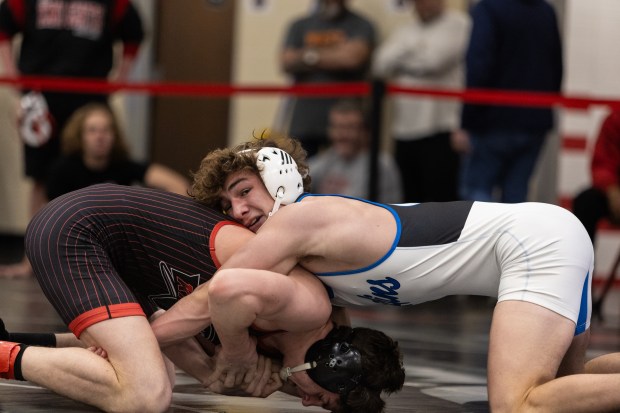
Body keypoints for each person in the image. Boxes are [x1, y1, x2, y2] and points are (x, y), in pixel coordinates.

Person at [178, 134, 620, 412]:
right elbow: (323, 341)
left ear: (278, 176)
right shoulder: (304, 250)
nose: (237, 211)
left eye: (244, 191)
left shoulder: (295, 222)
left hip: (534, 242)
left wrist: (133, 336)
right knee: (565, 389)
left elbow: (209, 297)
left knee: (517, 404)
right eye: (226, 206)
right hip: (545, 233)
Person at [0, 183, 404, 413]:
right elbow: (217, 294)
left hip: (115, 255)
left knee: (146, 362)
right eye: (322, 398)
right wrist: (234, 356)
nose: (306, 403)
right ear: (331, 366)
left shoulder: (294, 350)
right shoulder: (305, 305)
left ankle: (11, 342)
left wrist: (222, 372)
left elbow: (190, 348)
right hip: (81, 230)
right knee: (145, 394)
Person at [0, 0, 144, 277]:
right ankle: (32, 260)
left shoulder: (114, 3)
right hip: (40, 96)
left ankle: (92, 255)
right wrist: (11, 73)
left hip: (87, 95)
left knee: (90, 171)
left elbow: (134, 32)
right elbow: (4, 24)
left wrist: (121, 77)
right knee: (40, 177)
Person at [455, 0, 563, 203]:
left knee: (478, 195)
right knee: (516, 198)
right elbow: (556, 68)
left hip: (492, 120)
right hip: (534, 121)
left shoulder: (489, 8)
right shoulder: (546, 12)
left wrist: (467, 122)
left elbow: (478, 66)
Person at [372, 0, 470, 202]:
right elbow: (379, 64)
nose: (422, 4)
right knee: (408, 199)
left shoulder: (459, 24)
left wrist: (401, 60)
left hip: (440, 128)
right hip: (404, 128)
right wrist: (415, 52)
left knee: (440, 199)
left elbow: (434, 61)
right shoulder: (405, 30)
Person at [280, 0, 376, 157]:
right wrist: (334, 54)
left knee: (344, 179)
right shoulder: (299, 25)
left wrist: (308, 55)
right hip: (305, 121)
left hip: (346, 124)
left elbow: (352, 58)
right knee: (300, 176)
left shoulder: (362, 25)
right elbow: (286, 61)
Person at [45, 102, 189, 200]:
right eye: (92, 130)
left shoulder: (123, 165)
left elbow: (178, 185)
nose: (100, 137)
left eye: (106, 130)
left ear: (114, 135)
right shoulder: (63, 170)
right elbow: (48, 212)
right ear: (80, 136)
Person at [307, 99, 403, 203]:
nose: (342, 135)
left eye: (350, 128)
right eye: (337, 127)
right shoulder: (327, 159)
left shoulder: (381, 165)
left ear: (365, 132)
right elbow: (304, 177)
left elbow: (391, 209)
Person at [572, 110, 620, 244]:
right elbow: (603, 161)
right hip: (616, 191)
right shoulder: (616, 118)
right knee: (586, 202)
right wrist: (611, 188)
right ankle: (584, 262)